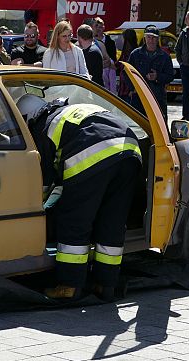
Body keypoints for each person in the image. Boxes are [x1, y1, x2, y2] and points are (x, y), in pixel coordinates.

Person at [17, 95, 141, 301]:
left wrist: (35, 209)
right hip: (130, 152)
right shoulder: (70, 111)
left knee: (74, 221)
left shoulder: (42, 127)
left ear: (28, 118)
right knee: (112, 222)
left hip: (93, 154)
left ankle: (69, 285)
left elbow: (43, 182)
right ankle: (106, 284)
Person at [128, 25, 173, 121]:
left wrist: (157, 76)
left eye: (154, 38)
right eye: (148, 37)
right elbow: (126, 72)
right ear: (145, 38)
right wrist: (133, 88)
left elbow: (170, 76)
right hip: (139, 96)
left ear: (157, 40)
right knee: (138, 123)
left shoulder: (165, 56)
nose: (151, 40)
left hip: (157, 96)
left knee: (159, 123)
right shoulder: (135, 54)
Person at [94, 17, 117, 93]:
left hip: (109, 69)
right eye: (96, 26)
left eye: (100, 27)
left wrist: (108, 62)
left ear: (104, 27)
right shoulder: (91, 41)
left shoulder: (110, 42)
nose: (98, 29)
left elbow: (113, 59)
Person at [116, 29, 138, 104]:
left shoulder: (132, 54)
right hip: (123, 89)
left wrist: (132, 89)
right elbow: (118, 65)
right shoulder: (125, 52)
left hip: (128, 91)